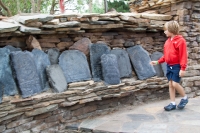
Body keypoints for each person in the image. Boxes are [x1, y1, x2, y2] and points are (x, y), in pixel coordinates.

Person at [150, 20, 188, 111]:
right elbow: (166, 55)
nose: (164, 31)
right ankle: (173, 103)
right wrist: (158, 62)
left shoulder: (181, 41)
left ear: (171, 30)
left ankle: (185, 98)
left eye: (166, 30)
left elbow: (183, 55)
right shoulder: (167, 42)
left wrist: (183, 68)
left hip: (176, 66)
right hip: (169, 66)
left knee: (175, 84)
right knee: (170, 84)